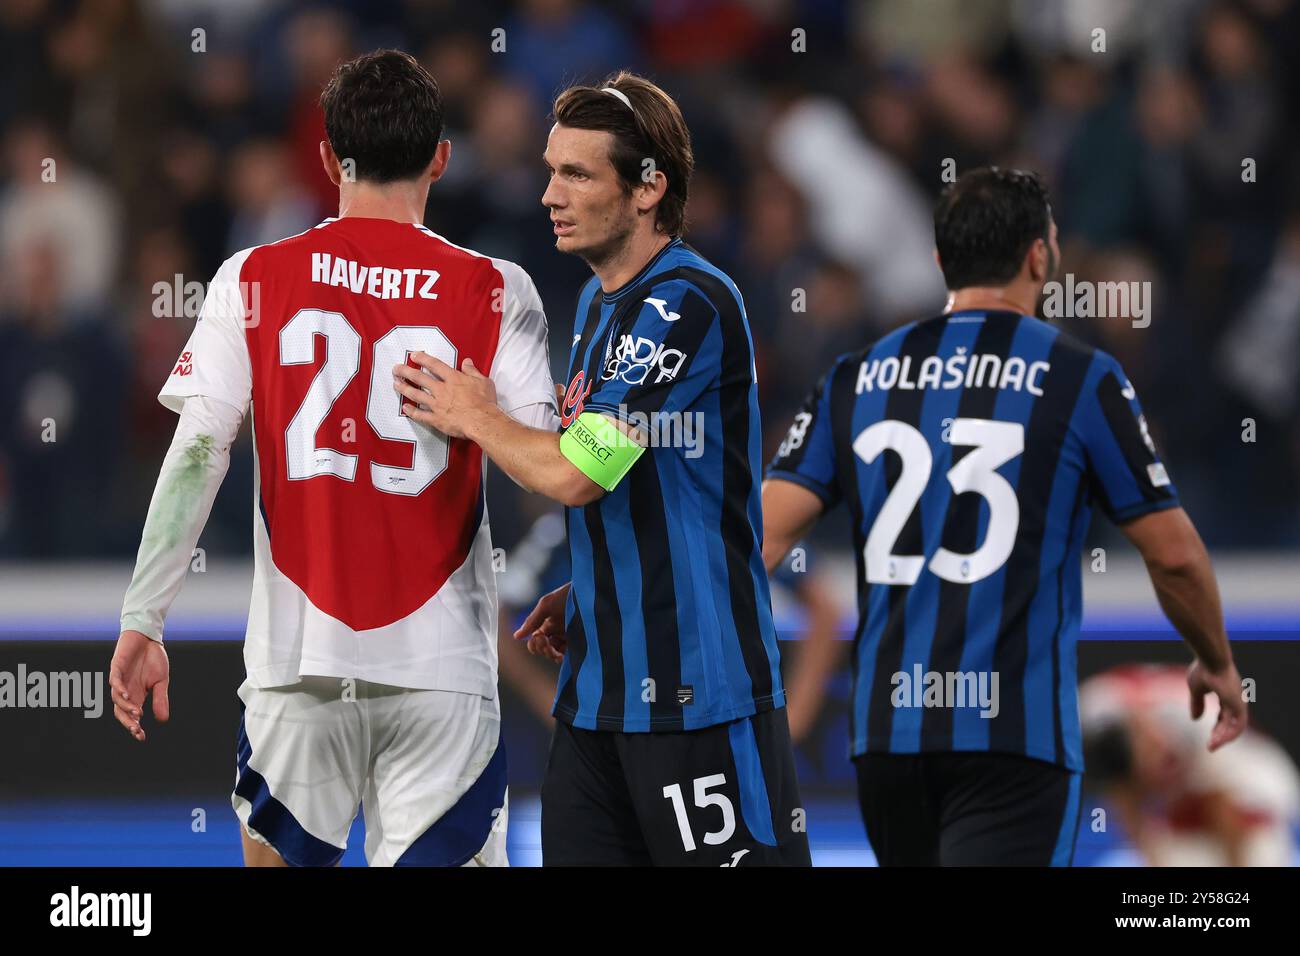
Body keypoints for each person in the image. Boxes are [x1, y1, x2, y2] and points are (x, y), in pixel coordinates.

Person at [108, 50, 558, 867]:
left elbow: (198, 452)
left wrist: (145, 616)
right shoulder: (498, 289)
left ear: (325, 158)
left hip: (297, 664)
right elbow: (551, 468)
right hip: (442, 670)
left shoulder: (252, 277)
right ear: (442, 158)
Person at [760, 166, 1248, 866]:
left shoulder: (856, 376)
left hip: (888, 741)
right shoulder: (1083, 377)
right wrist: (1215, 660)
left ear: (939, 261)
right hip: (1014, 741)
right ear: (1040, 257)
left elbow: (760, 541)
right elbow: (1172, 554)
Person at [395, 72, 810, 866]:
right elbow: (640, 478)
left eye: (577, 174)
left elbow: (582, 471)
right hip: (596, 703)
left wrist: (477, 415)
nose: (551, 193)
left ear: (649, 187)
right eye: (552, 170)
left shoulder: (686, 300)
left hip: (698, 698)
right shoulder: (595, 305)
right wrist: (594, 587)